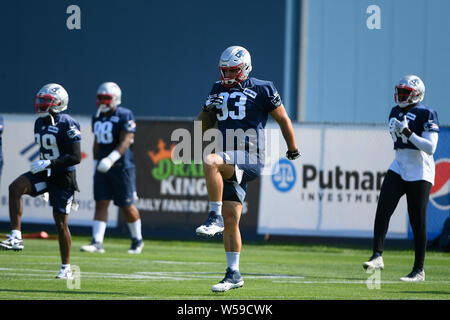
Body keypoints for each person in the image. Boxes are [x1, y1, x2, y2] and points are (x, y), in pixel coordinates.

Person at [195, 46, 300, 292]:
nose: (228, 75)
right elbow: (203, 127)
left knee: (211, 161)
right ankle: (233, 274)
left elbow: (283, 118)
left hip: (251, 156)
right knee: (233, 218)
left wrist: (292, 148)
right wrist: (207, 109)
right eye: (225, 71)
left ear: (245, 68)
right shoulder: (217, 88)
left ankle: (213, 215)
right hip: (230, 158)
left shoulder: (263, 87)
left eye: (233, 70)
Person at [0, 83, 81, 280]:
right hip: (46, 172)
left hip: (63, 176)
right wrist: (46, 167)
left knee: (61, 224)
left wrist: (50, 163)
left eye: (47, 101)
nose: (41, 105)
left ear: (59, 103)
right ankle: (16, 236)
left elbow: (75, 157)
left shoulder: (67, 122)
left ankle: (66, 268)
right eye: (41, 101)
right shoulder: (40, 122)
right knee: (15, 187)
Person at [362, 75, 439, 282]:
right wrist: (399, 132)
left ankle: (419, 270)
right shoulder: (395, 111)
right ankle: (377, 255)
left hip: (420, 170)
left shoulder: (427, 112)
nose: (401, 95)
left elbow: (431, 148)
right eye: (400, 91)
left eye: (405, 92)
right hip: (399, 165)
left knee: (417, 220)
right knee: (383, 208)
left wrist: (408, 132)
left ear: (417, 94)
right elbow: (397, 140)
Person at [80, 82, 144, 254]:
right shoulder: (97, 116)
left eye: (106, 98)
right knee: (101, 203)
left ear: (116, 99)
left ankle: (137, 239)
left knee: (126, 205)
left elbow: (127, 140)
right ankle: (97, 242)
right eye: (99, 97)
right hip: (102, 167)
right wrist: (95, 163)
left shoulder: (124, 114)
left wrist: (110, 159)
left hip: (121, 167)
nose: (102, 101)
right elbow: (97, 142)